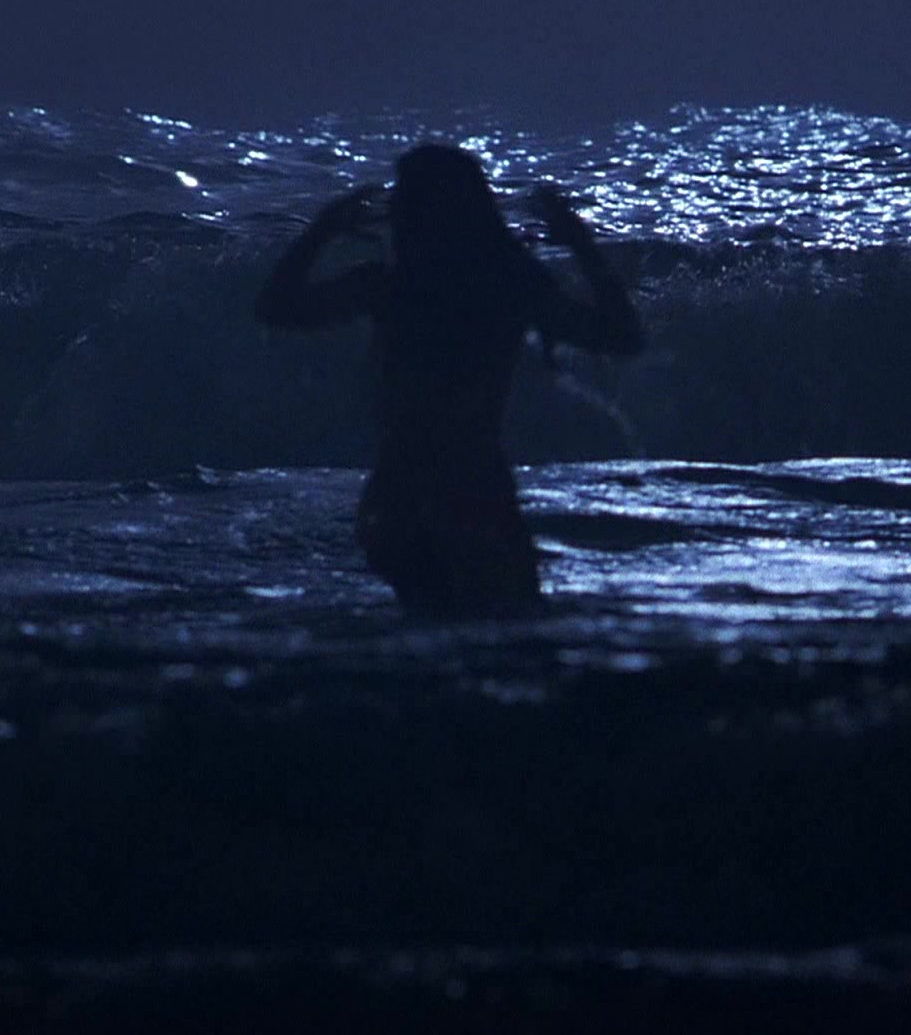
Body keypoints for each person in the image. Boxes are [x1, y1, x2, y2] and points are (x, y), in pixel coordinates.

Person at [255, 144, 643, 615]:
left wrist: (323, 229)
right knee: (505, 630)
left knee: (427, 624)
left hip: (398, 494)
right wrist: (581, 244)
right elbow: (623, 336)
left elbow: (276, 306)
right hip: (475, 488)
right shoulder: (508, 282)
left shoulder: (393, 284)